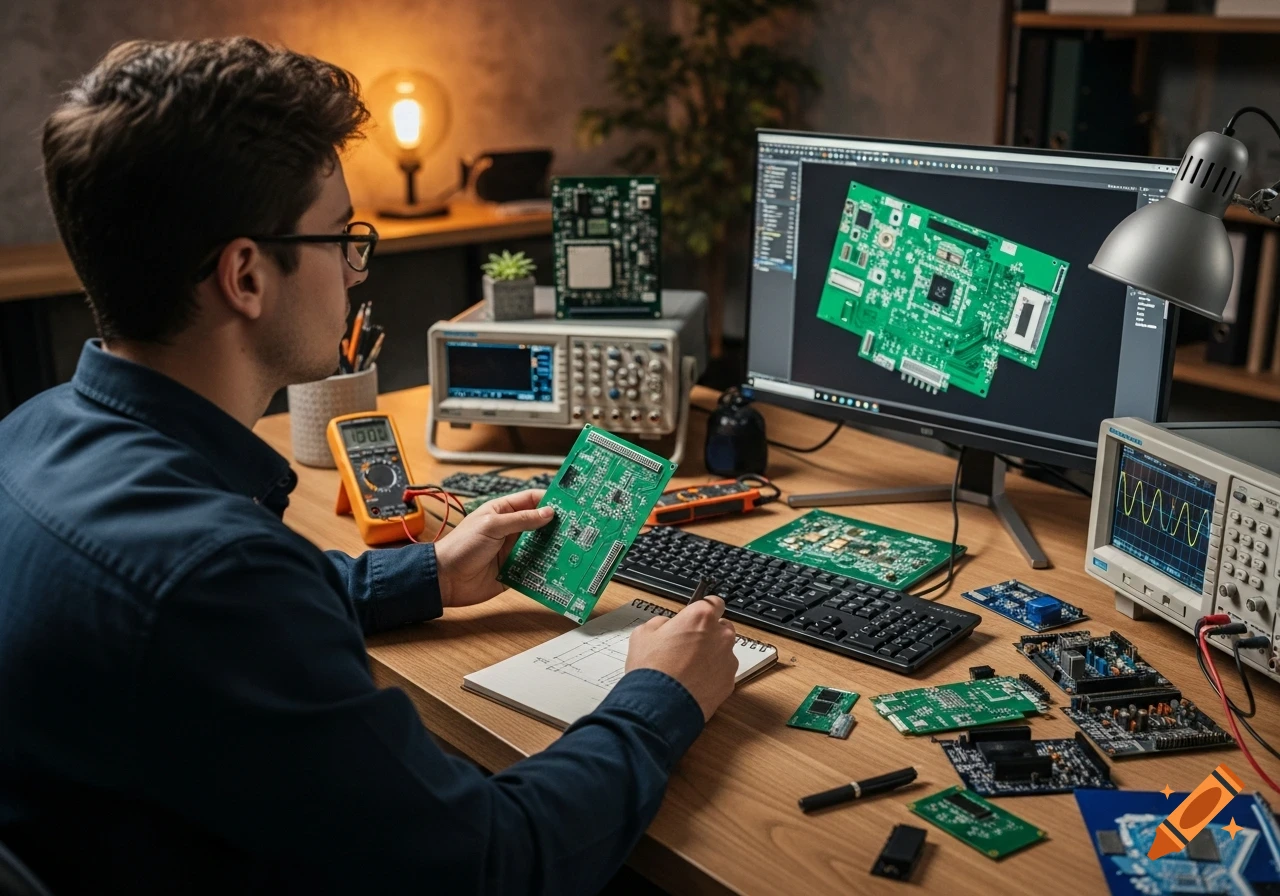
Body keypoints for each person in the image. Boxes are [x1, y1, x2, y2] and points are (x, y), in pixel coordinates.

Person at [0, 37, 739, 895]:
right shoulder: (213, 577)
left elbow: (217, 635)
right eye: (342, 238)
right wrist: (659, 694)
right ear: (246, 275)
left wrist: (426, 574)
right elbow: (492, 864)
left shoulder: (28, 436)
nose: (355, 269)